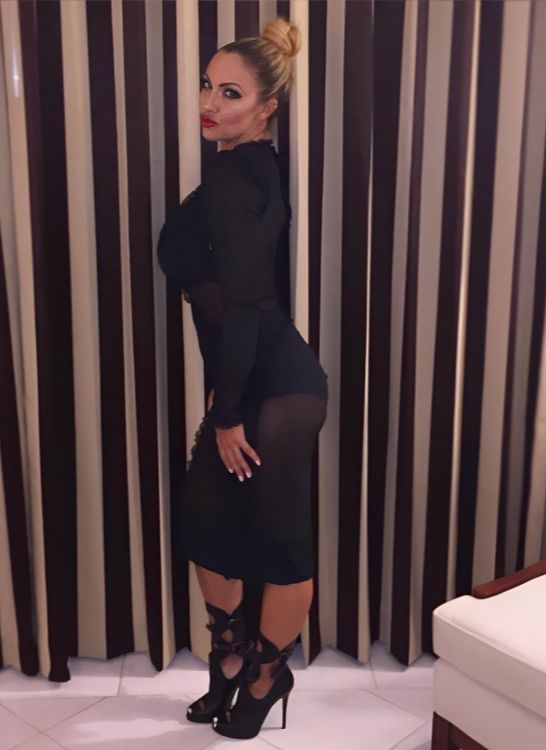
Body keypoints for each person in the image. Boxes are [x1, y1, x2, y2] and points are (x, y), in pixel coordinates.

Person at [157, 16, 328, 740]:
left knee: (279, 544)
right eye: (206, 85)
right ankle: (231, 657)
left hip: (275, 391)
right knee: (207, 526)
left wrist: (229, 411)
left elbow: (250, 303)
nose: (209, 102)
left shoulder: (235, 178)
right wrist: (225, 392)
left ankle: (264, 676)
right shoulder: (248, 168)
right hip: (255, 377)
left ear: (266, 108)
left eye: (230, 93)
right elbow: (237, 304)